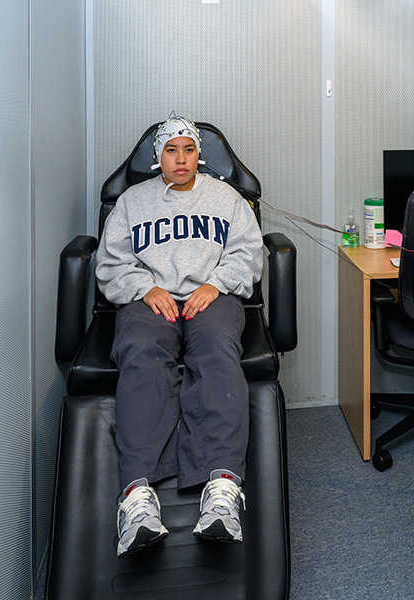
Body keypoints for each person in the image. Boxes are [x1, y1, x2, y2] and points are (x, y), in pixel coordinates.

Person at [95, 115, 264, 557]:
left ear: (199, 154)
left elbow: (249, 253)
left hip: (212, 297)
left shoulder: (226, 198)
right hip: (150, 300)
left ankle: (223, 489)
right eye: (172, 150)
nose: (181, 158)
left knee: (216, 352)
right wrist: (144, 288)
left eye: (188, 149)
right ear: (158, 157)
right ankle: (136, 497)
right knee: (141, 352)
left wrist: (217, 283)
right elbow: (110, 265)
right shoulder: (132, 202)